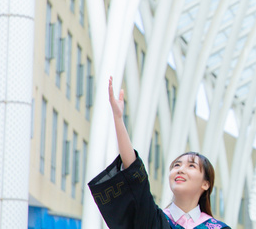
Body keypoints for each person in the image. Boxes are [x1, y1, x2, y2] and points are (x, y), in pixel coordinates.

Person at [88, 77, 230, 229]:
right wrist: (118, 119)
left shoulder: (218, 228)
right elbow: (135, 176)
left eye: (191, 166)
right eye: (176, 165)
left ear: (206, 184)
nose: (180, 169)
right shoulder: (153, 220)